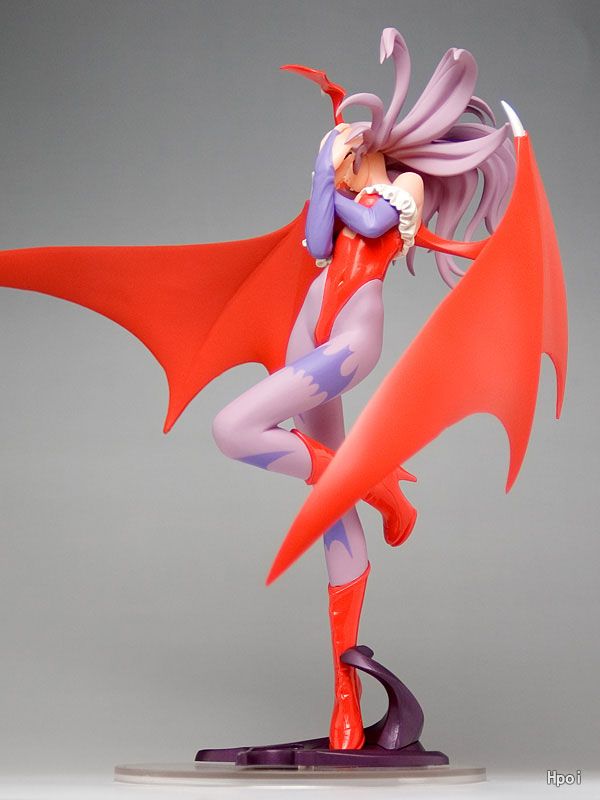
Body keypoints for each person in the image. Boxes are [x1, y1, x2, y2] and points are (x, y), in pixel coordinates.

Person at [211, 27, 515, 750]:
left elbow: (375, 222)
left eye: (349, 153)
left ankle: (377, 486)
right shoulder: (344, 183)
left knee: (233, 430)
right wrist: (323, 178)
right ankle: (344, 704)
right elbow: (318, 241)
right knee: (332, 512)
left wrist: (336, 180)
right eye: (339, 157)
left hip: (349, 340)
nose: (344, 165)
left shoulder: (402, 186)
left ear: (373, 146)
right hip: (306, 332)